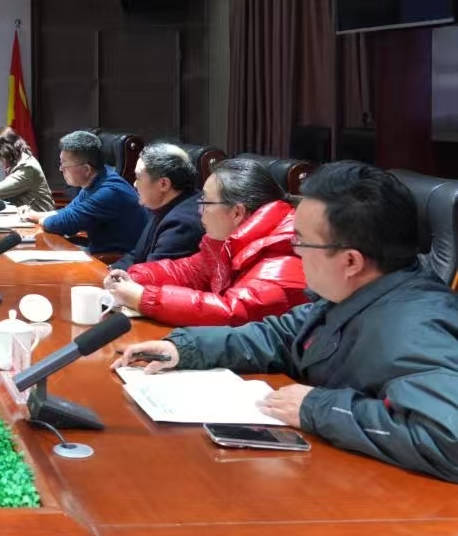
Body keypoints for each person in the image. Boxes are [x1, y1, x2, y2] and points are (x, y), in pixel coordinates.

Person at [116, 162, 458, 483]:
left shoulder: (414, 327)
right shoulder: (352, 294)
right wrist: (186, 347)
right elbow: (279, 336)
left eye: (301, 241)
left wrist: (317, 408)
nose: (295, 252)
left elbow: (447, 439)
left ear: (351, 261)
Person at [104, 157, 306, 326]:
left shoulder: (282, 255)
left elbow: (234, 313)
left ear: (237, 212)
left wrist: (145, 298)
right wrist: (134, 278)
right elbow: (189, 271)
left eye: (206, 202)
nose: (199, 210)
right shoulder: (226, 241)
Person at [20, 130, 146, 257]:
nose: (60, 169)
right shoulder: (98, 178)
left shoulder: (109, 192)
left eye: (64, 165)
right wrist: (32, 215)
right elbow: (68, 212)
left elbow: (62, 224)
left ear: (86, 169)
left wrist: (38, 218)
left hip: (115, 259)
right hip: (98, 250)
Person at [112, 143, 204, 271]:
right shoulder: (162, 204)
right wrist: (112, 269)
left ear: (163, 184)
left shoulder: (182, 222)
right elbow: (139, 254)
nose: (135, 184)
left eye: (138, 177)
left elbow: (153, 275)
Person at [0, 126, 55, 211]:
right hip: (28, 216)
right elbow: (6, 185)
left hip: (40, 218)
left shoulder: (27, 167)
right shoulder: (21, 160)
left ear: (3, 151)